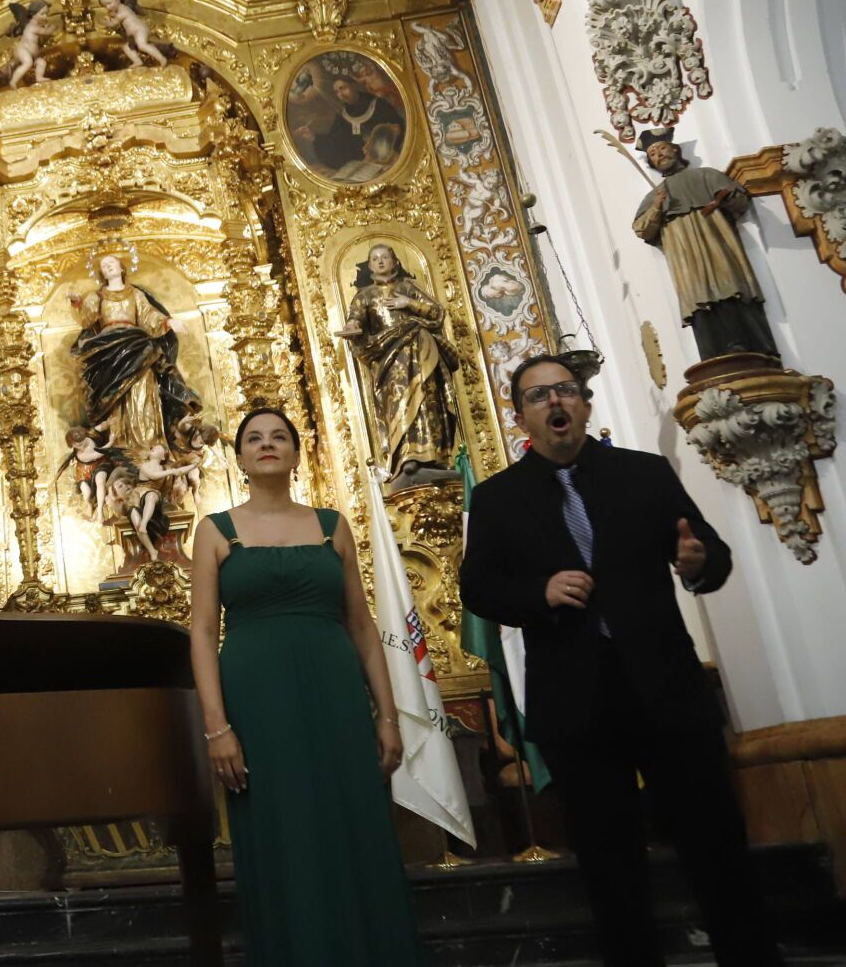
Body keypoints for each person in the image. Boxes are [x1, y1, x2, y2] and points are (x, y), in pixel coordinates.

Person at [460, 355, 780, 967]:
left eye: (565, 390)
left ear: (584, 403)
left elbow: (708, 551)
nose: (554, 402)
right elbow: (478, 590)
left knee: (717, 851)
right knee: (612, 872)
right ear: (520, 414)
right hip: (576, 704)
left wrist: (697, 563)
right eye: (537, 395)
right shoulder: (499, 500)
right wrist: (539, 593)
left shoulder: (645, 474)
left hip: (667, 692)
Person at [191, 408, 421, 966]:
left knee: (354, 825)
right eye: (254, 438)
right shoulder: (215, 531)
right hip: (256, 702)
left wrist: (388, 717)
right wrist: (217, 727)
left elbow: (362, 626)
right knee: (281, 832)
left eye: (278, 437)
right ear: (240, 457)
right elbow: (200, 632)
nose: (267, 445)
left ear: (296, 452)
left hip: (336, 695)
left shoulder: (330, 525)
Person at [630, 133, 778, 362]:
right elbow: (642, 229)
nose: (658, 155)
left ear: (675, 150)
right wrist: (658, 206)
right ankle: (715, 357)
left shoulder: (706, 176)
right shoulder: (654, 195)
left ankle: (753, 348)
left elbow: (739, 200)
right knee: (699, 298)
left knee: (729, 286)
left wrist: (725, 199)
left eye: (662, 149)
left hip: (716, 243)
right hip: (685, 255)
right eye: (652, 154)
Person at [335, 244, 462, 483]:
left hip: (421, 348)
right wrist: (352, 328)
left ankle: (435, 454)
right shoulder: (365, 296)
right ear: (370, 266)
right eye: (375, 259)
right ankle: (406, 455)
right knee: (399, 402)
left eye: (385, 257)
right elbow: (355, 319)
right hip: (389, 357)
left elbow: (436, 313)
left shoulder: (408, 288)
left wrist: (409, 304)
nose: (381, 261)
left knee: (427, 398)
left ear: (394, 261)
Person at [69, 253, 199, 456]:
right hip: (108, 350)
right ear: (102, 273)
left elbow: (149, 316)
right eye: (104, 265)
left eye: (111, 263)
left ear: (121, 268)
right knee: (114, 397)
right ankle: (121, 446)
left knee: (143, 391)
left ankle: (149, 445)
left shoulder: (135, 294)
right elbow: (87, 319)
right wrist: (78, 303)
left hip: (137, 348)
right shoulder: (98, 296)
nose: (108, 267)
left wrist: (168, 322)